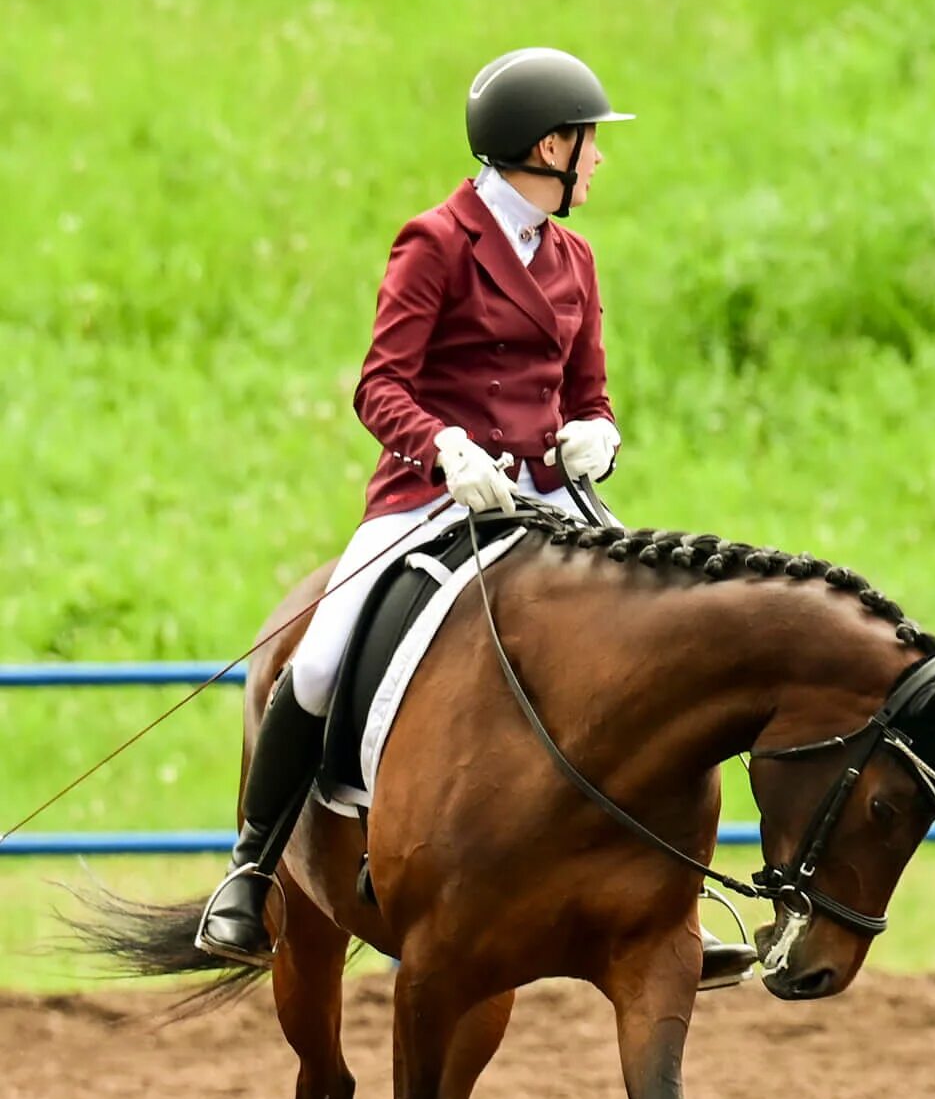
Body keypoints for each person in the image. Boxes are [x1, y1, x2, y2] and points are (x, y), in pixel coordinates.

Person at [194, 48, 635, 965]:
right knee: (315, 663)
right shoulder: (437, 240)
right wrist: (443, 445)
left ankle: (651, 884)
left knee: (649, 639)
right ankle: (249, 867)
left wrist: (598, 433)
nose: (598, 160)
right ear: (550, 145)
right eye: (590, 144)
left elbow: (587, 392)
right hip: (433, 495)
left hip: (547, 498)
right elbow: (379, 386)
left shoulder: (576, 257)